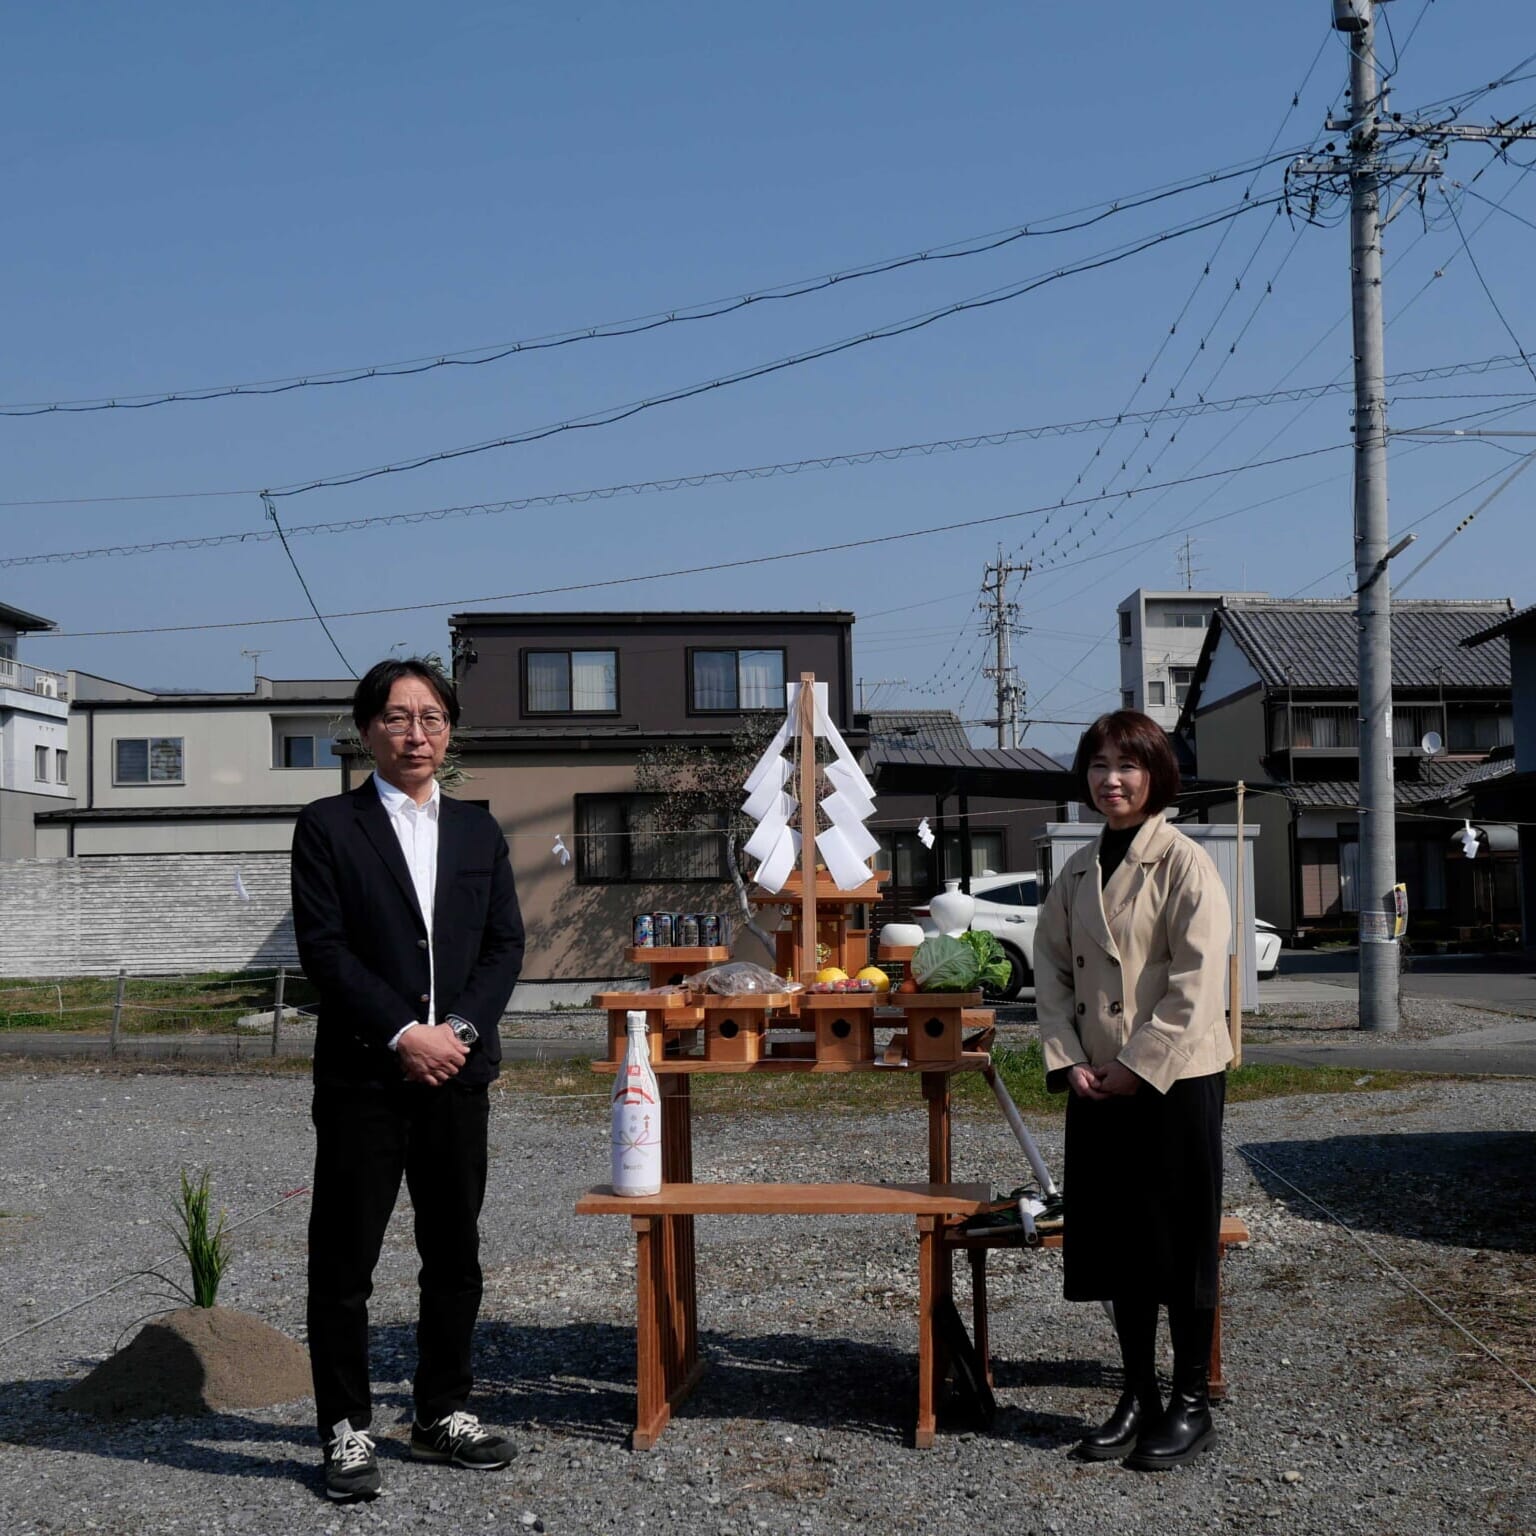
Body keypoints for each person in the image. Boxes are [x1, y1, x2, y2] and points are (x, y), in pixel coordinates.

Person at [291, 657, 525, 1501]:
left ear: (450, 730)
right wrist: (403, 1033)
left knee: (453, 1254)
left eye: (431, 717)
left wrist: (456, 1033)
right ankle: (346, 1429)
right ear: (365, 731)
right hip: (364, 1077)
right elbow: (325, 950)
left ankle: (441, 1411)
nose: (415, 732)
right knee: (344, 1261)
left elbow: (505, 948)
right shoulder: (327, 826)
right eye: (397, 717)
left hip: (457, 1077)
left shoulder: (478, 831)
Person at [1034, 710, 1232, 1471]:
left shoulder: (1184, 862)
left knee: (1177, 1242)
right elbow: (1049, 969)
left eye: (1127, 765)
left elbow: (1196, 979)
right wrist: (1069, 1056)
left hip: (1172, 1078)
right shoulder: (1079, 867)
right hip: (1096, 1079)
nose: (1110, 779)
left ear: (1156, 775)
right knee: (1117, 1241)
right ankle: (1138, 1394)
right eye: (1098, 765)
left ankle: (1190, 1402)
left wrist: (1134, 1062)